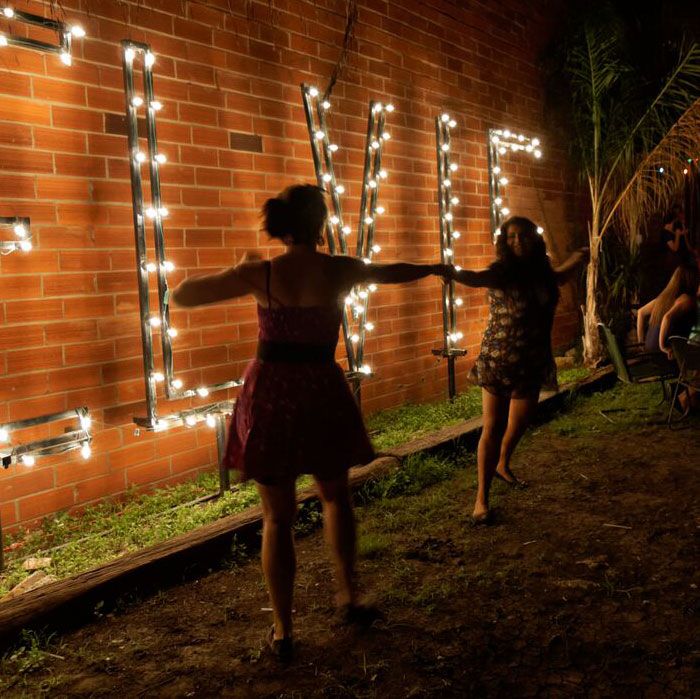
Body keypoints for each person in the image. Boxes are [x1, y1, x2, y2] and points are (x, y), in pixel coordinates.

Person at [172, 184, 449, 660]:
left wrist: (242, 264)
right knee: (336, 496)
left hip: (272, 394)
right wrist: (435, 268)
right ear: (319, 224)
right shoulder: (339, 268)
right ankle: (348, 596)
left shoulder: (261, 273)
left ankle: (282, 629)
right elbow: (392, 271)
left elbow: (182, 296)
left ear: (281, 227)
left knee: (278, 516)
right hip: (320, 391)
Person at [446, 216, 587, 524]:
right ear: (504, 242)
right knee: (493, 428)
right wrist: (450, 271)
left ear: (534, 239)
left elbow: (562, 275)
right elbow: (475, 277)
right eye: (511, 237)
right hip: (500, 359)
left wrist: (578, 257)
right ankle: (481, 498)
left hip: (533, 361)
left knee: (521, 422)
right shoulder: (501, 272)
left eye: (523, 236)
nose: (518, 241)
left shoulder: (544, 272)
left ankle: (502, 464)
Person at [636, 263, 699, 356]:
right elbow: (667, 317)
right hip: (665, 355)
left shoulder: (664, 298)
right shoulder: (686, 300)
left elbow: (640, 312)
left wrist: (641, 343)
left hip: (650, 353)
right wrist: (663, 347)